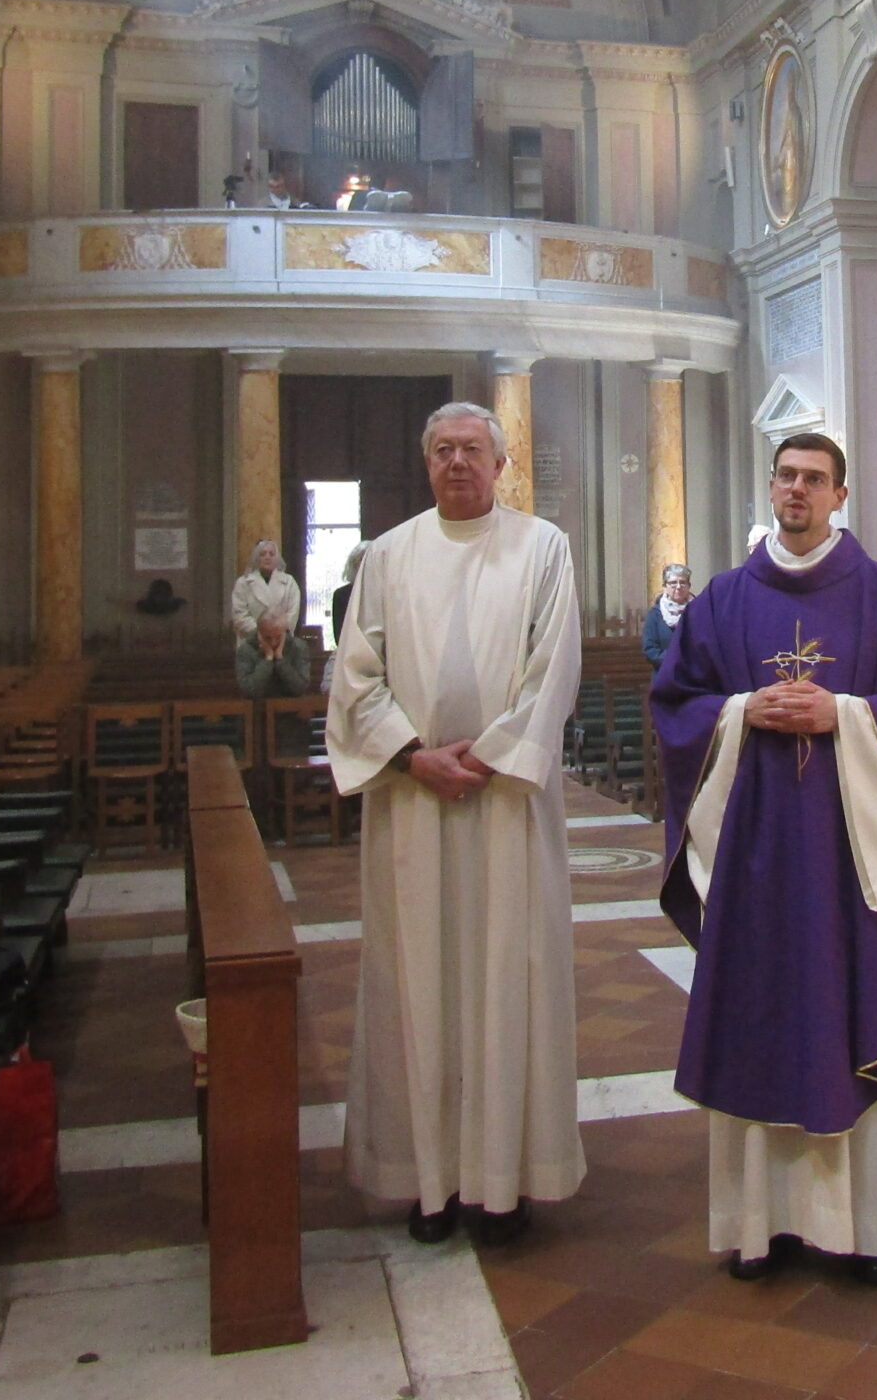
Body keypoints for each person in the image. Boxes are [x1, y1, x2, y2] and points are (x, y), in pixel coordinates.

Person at [651, 434, 877, 1285]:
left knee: (852, 1008)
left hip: (852, 861)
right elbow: (676, 704)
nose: (797, 490)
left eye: (814, 479)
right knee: (758, 1018)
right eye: (786, 476)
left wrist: (846, 716)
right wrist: (742, 710)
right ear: (773, 487)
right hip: (753, 859)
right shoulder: (722, 600)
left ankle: (865, 1229)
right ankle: (762, 1226)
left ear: (839, 495)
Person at [326, 402, 583, 1246]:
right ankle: (426, 1181)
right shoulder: (389, 555)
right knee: (417, 983)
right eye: (443, 450)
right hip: (413, 809)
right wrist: (413, 758)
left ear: (501, 464)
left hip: (507, 805)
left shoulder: (542, 548)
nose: (458, 462)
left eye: (473, 449)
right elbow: (355, 677)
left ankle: (505, 1182)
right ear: (427, 463)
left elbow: (554, 666)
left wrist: (491, 757)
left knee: (511, 976)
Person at [231, 540, 310, 699]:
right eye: (262, 554)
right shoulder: (243, 583)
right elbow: (239, 615)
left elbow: (292, 613)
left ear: (277, 557)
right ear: (256, 557)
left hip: (283, 643)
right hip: (255, 644)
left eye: (271, 554)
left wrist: (276, 632)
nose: (267, 557)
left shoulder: (289, 582)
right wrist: (263, 632)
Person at [642, 563, 691, 665]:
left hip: (694, 671)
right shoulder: (655, 614)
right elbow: (650, 649)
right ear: (665, 586)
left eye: (683, 582)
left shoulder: (697, 611)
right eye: (673, 583)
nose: (678, 587)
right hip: (665, 670)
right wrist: (675, 659)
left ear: (689, 586)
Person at [328, 540, 368, 647]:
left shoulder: (385, 594)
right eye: (361, 560)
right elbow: (340, 637)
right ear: (353, 565)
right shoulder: (341, 595)